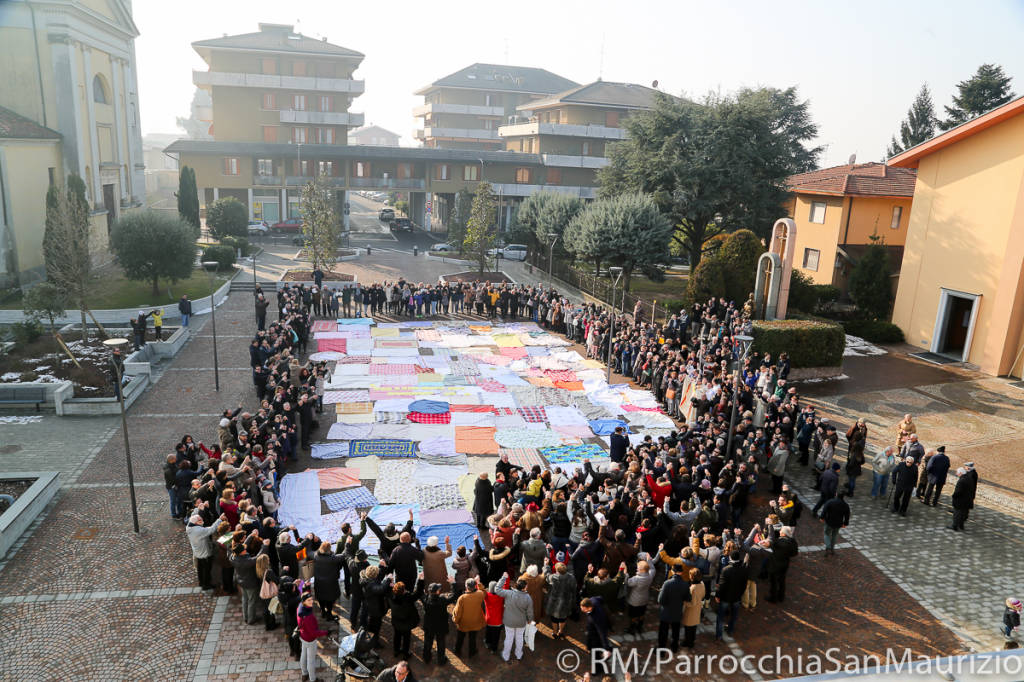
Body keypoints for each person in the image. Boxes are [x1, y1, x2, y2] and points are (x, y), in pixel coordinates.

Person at [490, 574, 534, 663]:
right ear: (524, 588)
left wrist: (503, 578)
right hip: (521, 623)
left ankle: (506, 656)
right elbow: (530, 612)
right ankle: (518, 655)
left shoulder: (509, 593)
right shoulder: (528, 598)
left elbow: (497, 589)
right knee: (519, 639)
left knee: (509, 639)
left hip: (509, 622)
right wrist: (529, 620)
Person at [421, 581, 457, 665]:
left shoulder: (425, 599)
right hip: (441, 626)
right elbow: (454, 596)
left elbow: (419, 593)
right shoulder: (442, 600)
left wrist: (420, 581)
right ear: (437, 592)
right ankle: (441, 660)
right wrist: (453, 583)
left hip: (429, 625)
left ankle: (426, 657)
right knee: (441, 643)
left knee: (427, 642)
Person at [715, 551, 747, 639]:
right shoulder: (743, 569)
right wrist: (740, 594)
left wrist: (717, 596)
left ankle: (719, 635)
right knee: (734, 615)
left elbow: (721, 585)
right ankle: (730, 630)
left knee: (721, 617)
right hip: (736, 597)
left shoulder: (726, 569)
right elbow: (744, 585)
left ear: (730, 558)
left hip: (725, 597)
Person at [297, 592, 328, 681]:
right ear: (304, 601)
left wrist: (305, 588)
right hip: (310, 639)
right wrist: (326, 632)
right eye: (309, 600)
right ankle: (313, 679)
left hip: (303, 636)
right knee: (311, 660)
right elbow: (314, 633)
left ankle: (304, 674)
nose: (311, 602)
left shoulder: (300, 607)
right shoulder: (308, 617)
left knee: (303, 654)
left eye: (312, 599)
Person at [453, 578, 486, 659]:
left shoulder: (462, 598)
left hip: (464, 623)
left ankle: (457, 650)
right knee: (472, 638)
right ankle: (472, 652)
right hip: (475, 621)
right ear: (475, 586)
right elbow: (484, 591)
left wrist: (455, 620)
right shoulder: (480, 594)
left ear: (466, 586)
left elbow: (458, 612)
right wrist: (479, 583)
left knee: (460, 637)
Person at [657, 563, 687, 651]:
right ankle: (674, 647)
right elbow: (688, 598)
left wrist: (661, 591)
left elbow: (660, 600)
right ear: (681, 572)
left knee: (663, 632)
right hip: (677, 611)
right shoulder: (685, 584)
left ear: (672, 571)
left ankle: (661, 650)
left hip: (666, 611)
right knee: (676, 631)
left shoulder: (667, 583)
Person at [186, 513, 219, 591]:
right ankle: (206, 585)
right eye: (200, 520)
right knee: (206, 570)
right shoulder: (199, 530)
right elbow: (211, 529)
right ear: (196, 523)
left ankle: (201, 582)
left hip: (198, 553)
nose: (202, 520)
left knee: (200, 569)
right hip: (204, 554)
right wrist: (219, 520)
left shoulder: (189, 527)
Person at [766, 527, 798, 603]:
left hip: (775, 564)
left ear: (784, 533)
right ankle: (781, 597)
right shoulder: (792, 542)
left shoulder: (778, 542)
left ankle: (773, 598)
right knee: (782, 581)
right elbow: (794, 553)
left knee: (773, 582)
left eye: (781, 531)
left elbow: (772, 546)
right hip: (785, 564)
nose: (780, 531)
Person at [819, 492, 850, 556]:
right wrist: (845, 523)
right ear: (843, 497)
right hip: (838, 523)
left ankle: (828, 547)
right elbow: (847, 515)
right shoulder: (845, 505)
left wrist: (822, 517)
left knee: (826, 534)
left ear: (836, 494)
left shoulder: (830, 502)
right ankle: (832, 549)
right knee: (834, 536)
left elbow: (824, 510)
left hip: (829, 522)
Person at [681, 566, 705, 649]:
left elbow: (692, 603)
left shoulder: (693, 588)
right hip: (698, 609)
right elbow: (703, 595)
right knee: (693, 628)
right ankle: (691, 641)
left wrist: (683, 601)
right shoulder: (702, 584)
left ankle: (688, 642)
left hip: (691, 611)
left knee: (688, 628)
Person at [949, 463, 978, 532]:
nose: (956, 474)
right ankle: (961, 525)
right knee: (964, 513)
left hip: (961, 500)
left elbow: (958, 492)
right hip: (967, 499)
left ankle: (955, 526)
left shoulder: (962, 481)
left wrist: (954, 496)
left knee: (957, 513)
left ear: (961, 473)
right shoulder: (969, 478)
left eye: (957, 473)